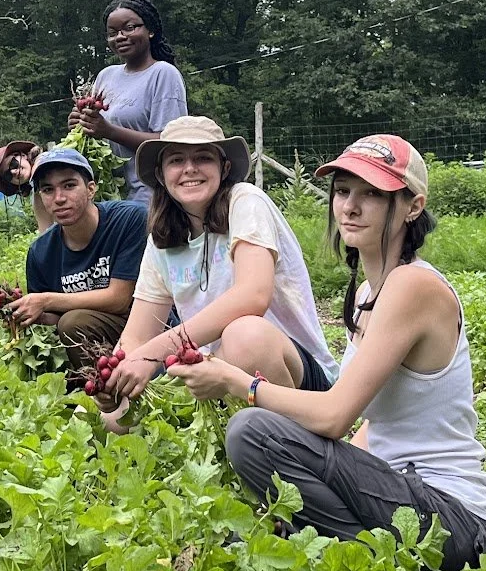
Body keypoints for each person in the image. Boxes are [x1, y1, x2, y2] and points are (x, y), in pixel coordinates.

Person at [173, 136, 486, 571]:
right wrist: (313, 466)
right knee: (272, 443)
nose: (350, 207)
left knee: (252, 432)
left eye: (372, 194)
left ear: (413, 206)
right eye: (342, 191)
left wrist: (233, 380)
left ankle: (361, 557)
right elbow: (370, 428)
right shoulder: (366, 294)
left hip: (448, 523)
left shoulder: (414, 287)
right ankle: (352, 552)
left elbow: (335, 415)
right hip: (403, 499)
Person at [103, 116, 336, 412]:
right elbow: (136, 335)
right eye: (176, 160)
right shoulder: (162, 239)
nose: (190, 168)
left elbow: (253, 296)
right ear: (161, 175)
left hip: (294, 378)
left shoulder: (246, 201)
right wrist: (112, 379)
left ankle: (297, 447)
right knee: (114, 415)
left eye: (203, 157)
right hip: (212, 376)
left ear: (224, 169)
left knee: (246, 335)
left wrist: (152, 354)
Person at [9, 147, 147, 351]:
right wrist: (22, 313)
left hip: (146, 329)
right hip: (89, 333)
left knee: (73, 322)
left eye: (69, 185)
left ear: (91, 189)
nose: (59, 198)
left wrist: (46, 300)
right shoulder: (40, 252)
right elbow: (52, 318)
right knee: (69, 323)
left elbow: (119, 300)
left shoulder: (129, 219)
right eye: (48, 190)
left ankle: (113, 381)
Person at [71, 0, 188, 208]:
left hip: (151, 198)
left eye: (130, 28)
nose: (120, 37)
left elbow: (172, 143)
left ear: (150, 30)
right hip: (108, 197)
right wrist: (81, 126)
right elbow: (98, 136)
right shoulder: (106, 76)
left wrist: (109, 131)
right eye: (112, 33)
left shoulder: (163, 74)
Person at [0, 138, 53, 233]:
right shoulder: (37, 192)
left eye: (13, 164)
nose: (13, 172)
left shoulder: (50, 162)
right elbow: (46, 232)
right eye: (8, 175)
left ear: (22, 155)